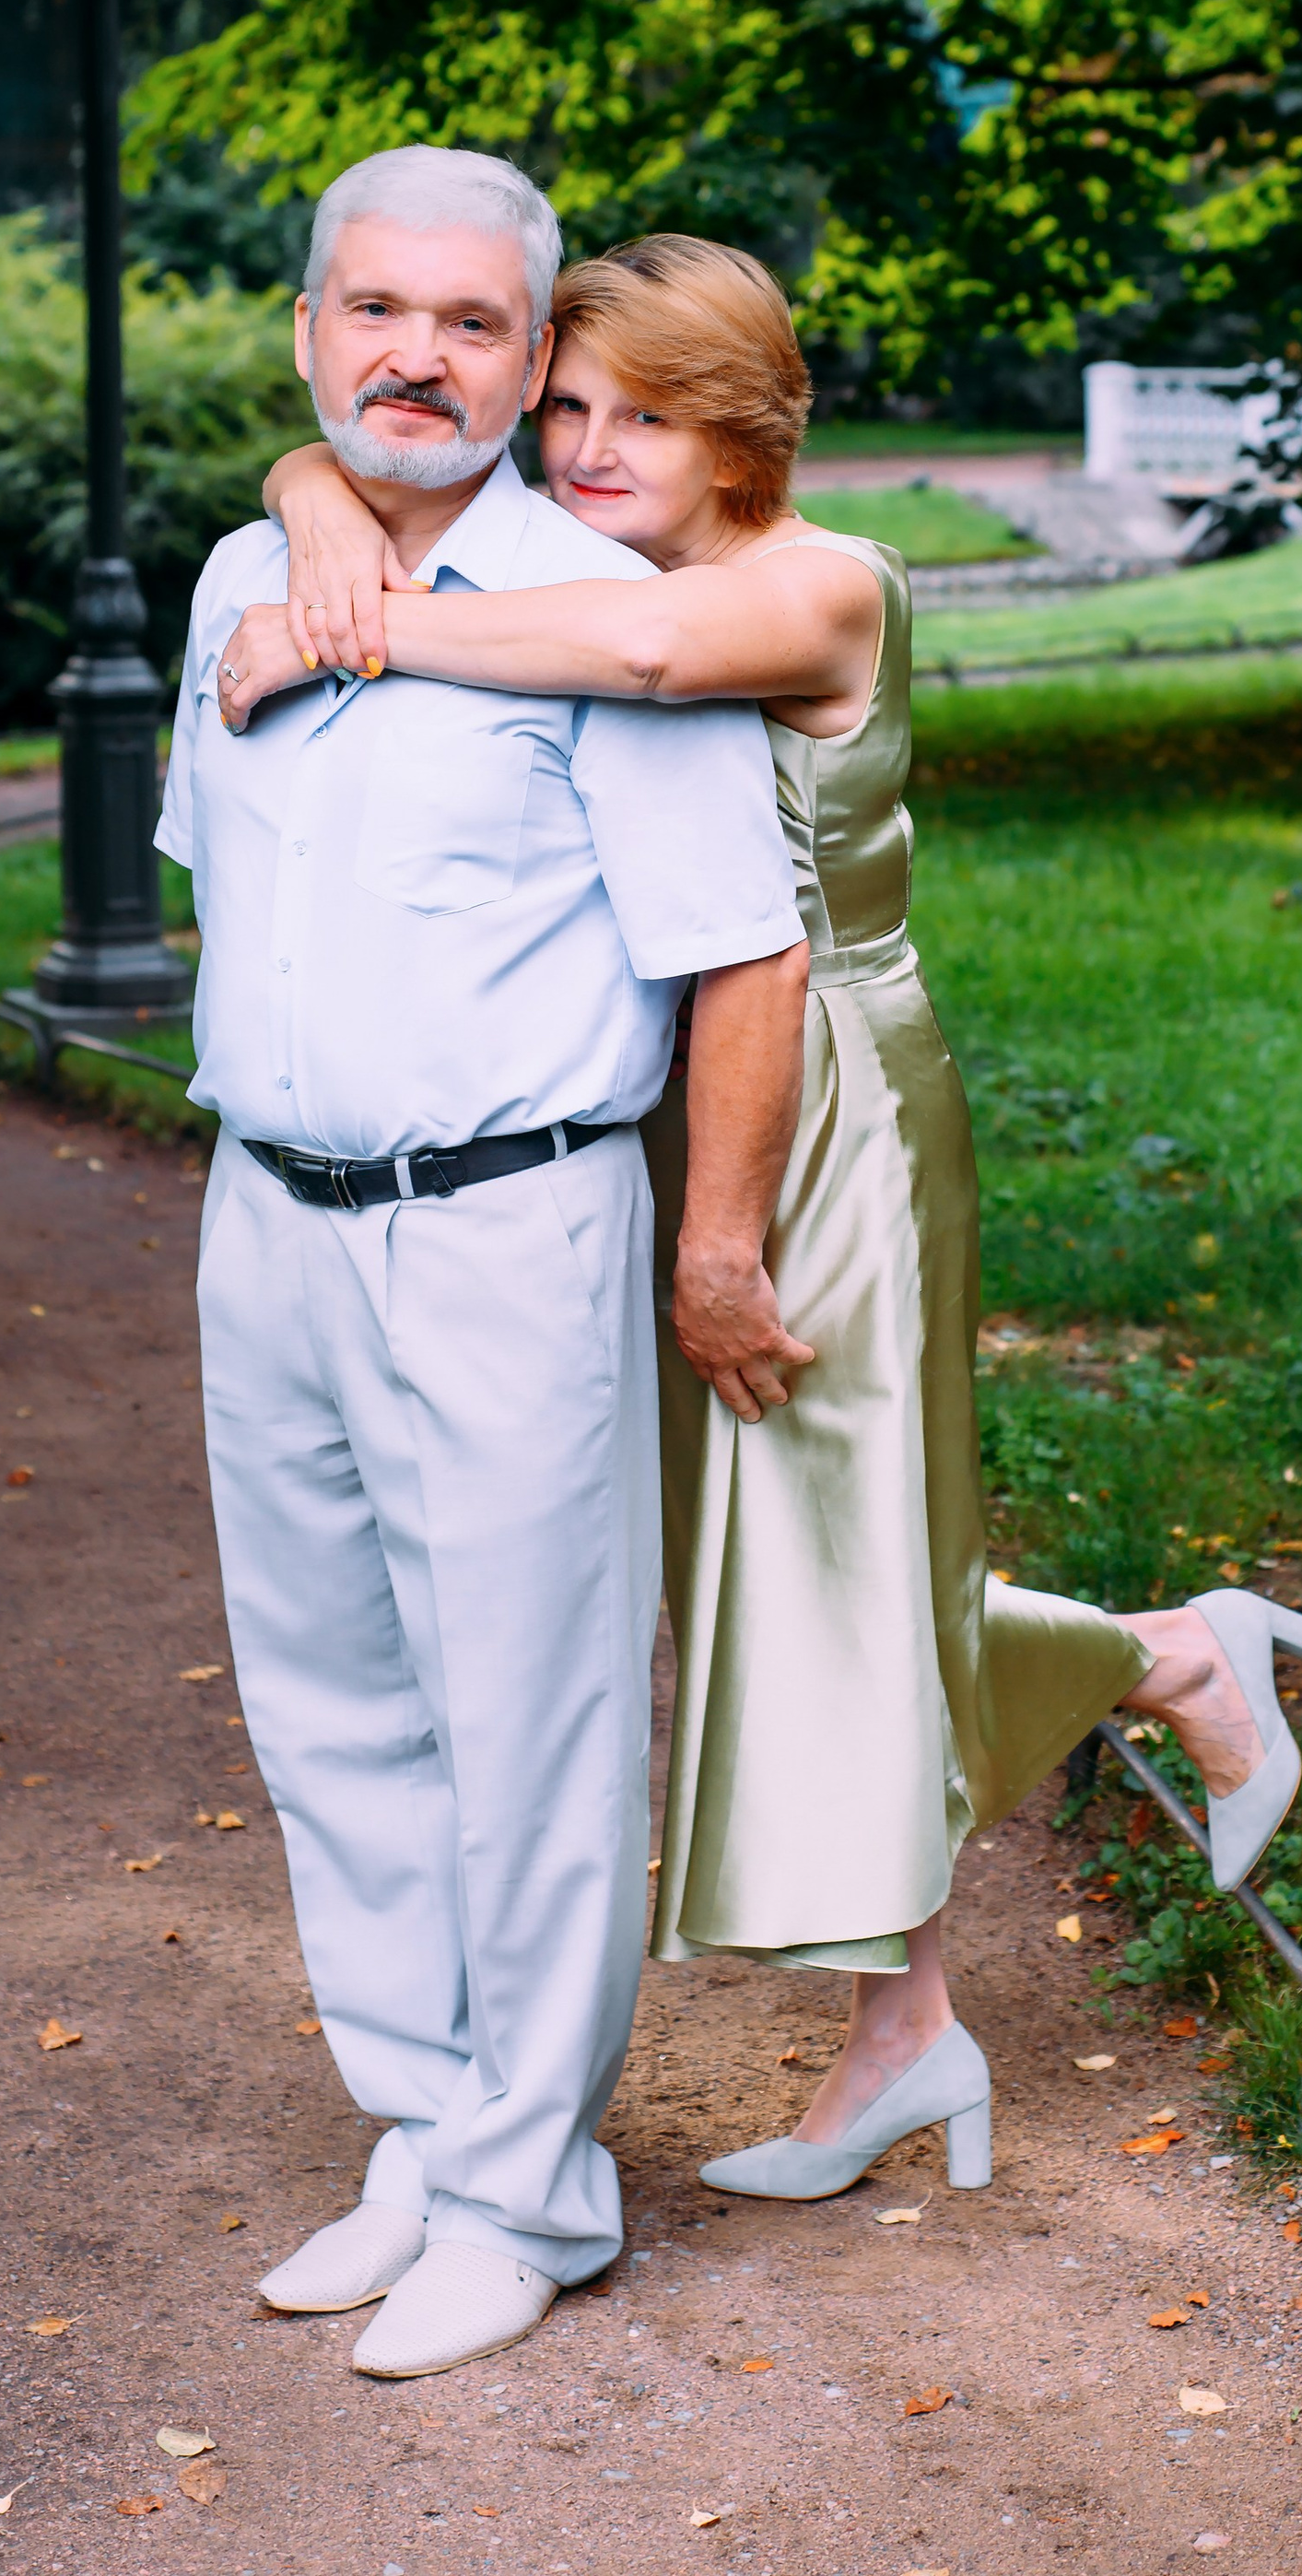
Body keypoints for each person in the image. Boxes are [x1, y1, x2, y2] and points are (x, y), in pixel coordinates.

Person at [219, 232, 1302, 2207]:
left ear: (743, 430)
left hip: (830, 1102)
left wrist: (344, 622)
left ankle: (1162, 1662)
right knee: (775, 1554)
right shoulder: (604, 564)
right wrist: (316, 496)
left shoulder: (815, 584)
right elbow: (396, 492)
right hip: (667, 1093)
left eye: (644, 414)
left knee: (842, 1539)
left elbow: (642, 663)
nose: (588, 447)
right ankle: (916, 2017)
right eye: (569, 407)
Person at [159, 154, 810, 2380]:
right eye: (374, 309)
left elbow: (739, 950)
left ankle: (530, 2194)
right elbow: (221, 885)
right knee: (330, 1708)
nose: (414, 357)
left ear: (534, 361)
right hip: (264, 1215)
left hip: (507, 1220)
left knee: (527, 1723)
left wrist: (711, 1244)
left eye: (468, 322)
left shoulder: (599, 609)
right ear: (307, 331)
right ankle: (427, 2133)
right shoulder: (241, 573)